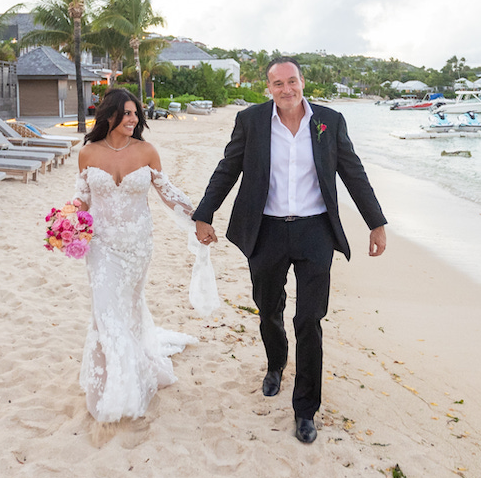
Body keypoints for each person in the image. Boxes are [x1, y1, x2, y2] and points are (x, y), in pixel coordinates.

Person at [193, 57, 387, 444]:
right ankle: (276, 363)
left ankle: (305, 409)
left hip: (315, 231)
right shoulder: (251, 121)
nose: (286, 89)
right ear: (269, 88)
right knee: (268, 310)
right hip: (265, 230)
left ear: (303, 82)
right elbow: (227, 168)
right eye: (278, 83)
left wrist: (375, 222)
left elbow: (353, 171)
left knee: (310, 320)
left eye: (292, 81)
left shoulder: (329, 121)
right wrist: (204, 213)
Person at [72, 88, 216, 423]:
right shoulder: (88, 153)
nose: (132, 119)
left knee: (130, 308)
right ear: (108, 115)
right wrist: (65, 219)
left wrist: (199, 218)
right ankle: (112, 387)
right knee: (105, 311)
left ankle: (133, 370)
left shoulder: (147, 151)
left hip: (138, 246)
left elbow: (168, 193)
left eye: (135, 113)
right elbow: (83, 199)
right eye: (125, 113)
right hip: (102, 245)